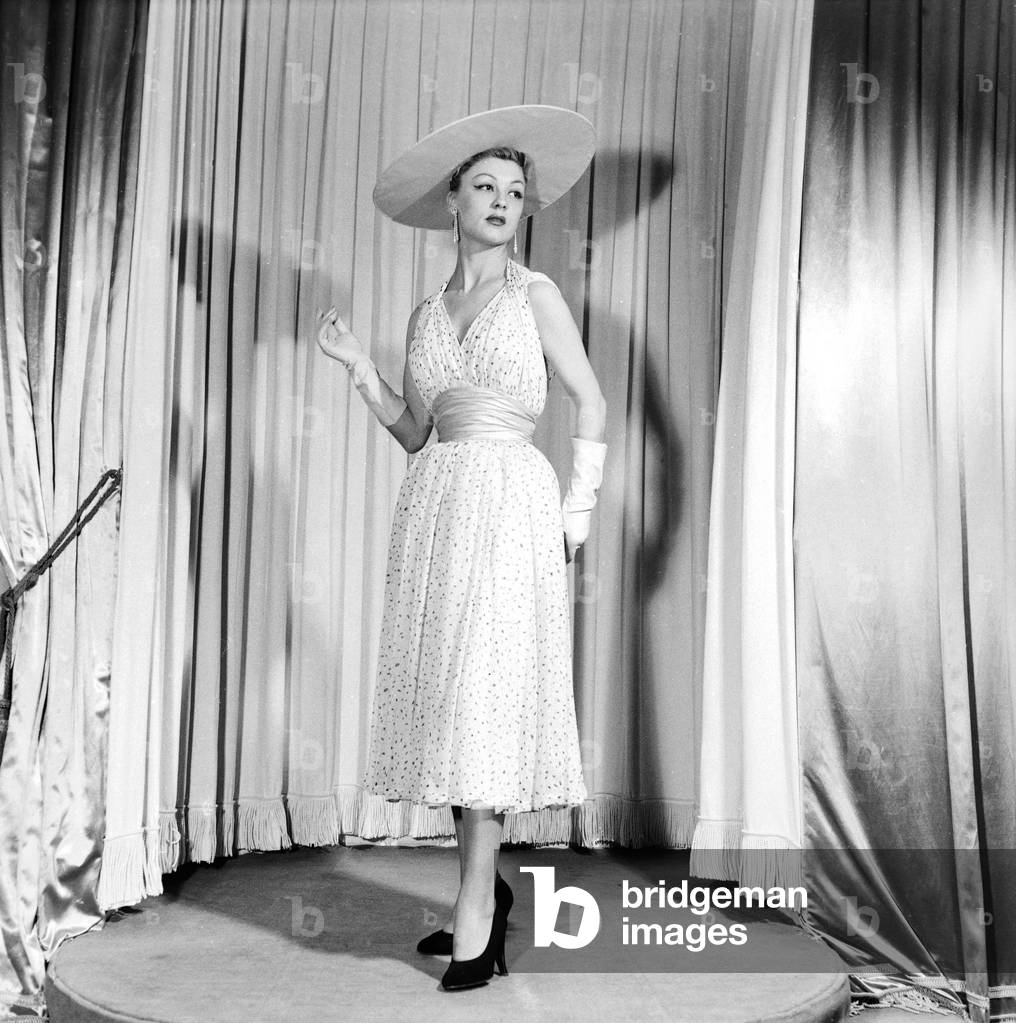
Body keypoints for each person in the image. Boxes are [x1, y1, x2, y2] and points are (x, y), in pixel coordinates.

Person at [316, 106, 606, 991]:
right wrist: (363, 372)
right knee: (450, 700)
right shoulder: (423, 314)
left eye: (515, 192)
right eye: (485, 186)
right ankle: (479, 890)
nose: (502, 202)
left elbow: (591, 405)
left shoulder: (538, 296)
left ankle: (478, 907)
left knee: (486, 699)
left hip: (512, 508)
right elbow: (417, 433)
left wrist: (575, 518)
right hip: (434, 510)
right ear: (452, 199)